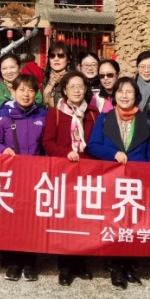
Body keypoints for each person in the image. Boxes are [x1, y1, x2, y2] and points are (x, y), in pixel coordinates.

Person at [87, 76, 150, 290]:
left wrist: (149, 178)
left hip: (137, 182)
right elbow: (93, 146)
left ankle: (130, 265)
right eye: (120, 91)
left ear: (136, 95)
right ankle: (116, 267)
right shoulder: (105, 118)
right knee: (115, 222)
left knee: (134, 224)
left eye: (129, 91)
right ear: (114, 95)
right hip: (112, 181)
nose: (124, 95)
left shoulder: (146, 120)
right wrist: (113, 154)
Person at [42, 72, 98, 286]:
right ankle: (65, 266)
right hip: (64, 172)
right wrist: (65, 153)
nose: (76, 90)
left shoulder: (93, 113)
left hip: (87, 172)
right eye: (71, 86)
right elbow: (48, 142)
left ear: (86, 89)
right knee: (64, 219)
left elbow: (97, 142)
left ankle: (81, 263)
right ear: (64, 90)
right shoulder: (55, 113)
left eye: (80, 86)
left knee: (84, 218)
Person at [0, 73, 45, 282]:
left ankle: (30, 263)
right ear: (13, 91)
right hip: (11, 176)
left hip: (35, 177)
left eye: (31, 90)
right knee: (11, 219)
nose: (26, 94)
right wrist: (2, 150)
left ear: (36, 93)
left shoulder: (42, 115)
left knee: (32, 220)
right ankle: (13, 262)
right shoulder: (4, 115)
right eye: (21, 89)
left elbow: (47, 146)